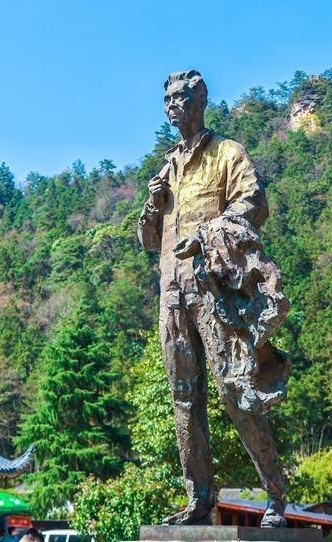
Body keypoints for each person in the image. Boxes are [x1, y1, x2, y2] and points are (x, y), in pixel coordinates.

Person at [137, 70, 290, 528]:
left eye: (180, 97)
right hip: (172, 296)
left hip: (214, 291)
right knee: (183, 398)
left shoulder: (227, 153)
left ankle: (275, 495)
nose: (172, 105)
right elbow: (149, 240)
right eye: (166, 98)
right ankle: (199, 498)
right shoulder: (166, 167)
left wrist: (206, 235)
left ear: (200, 101)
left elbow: (253, 203)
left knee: (234, 389)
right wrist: (152, 205)